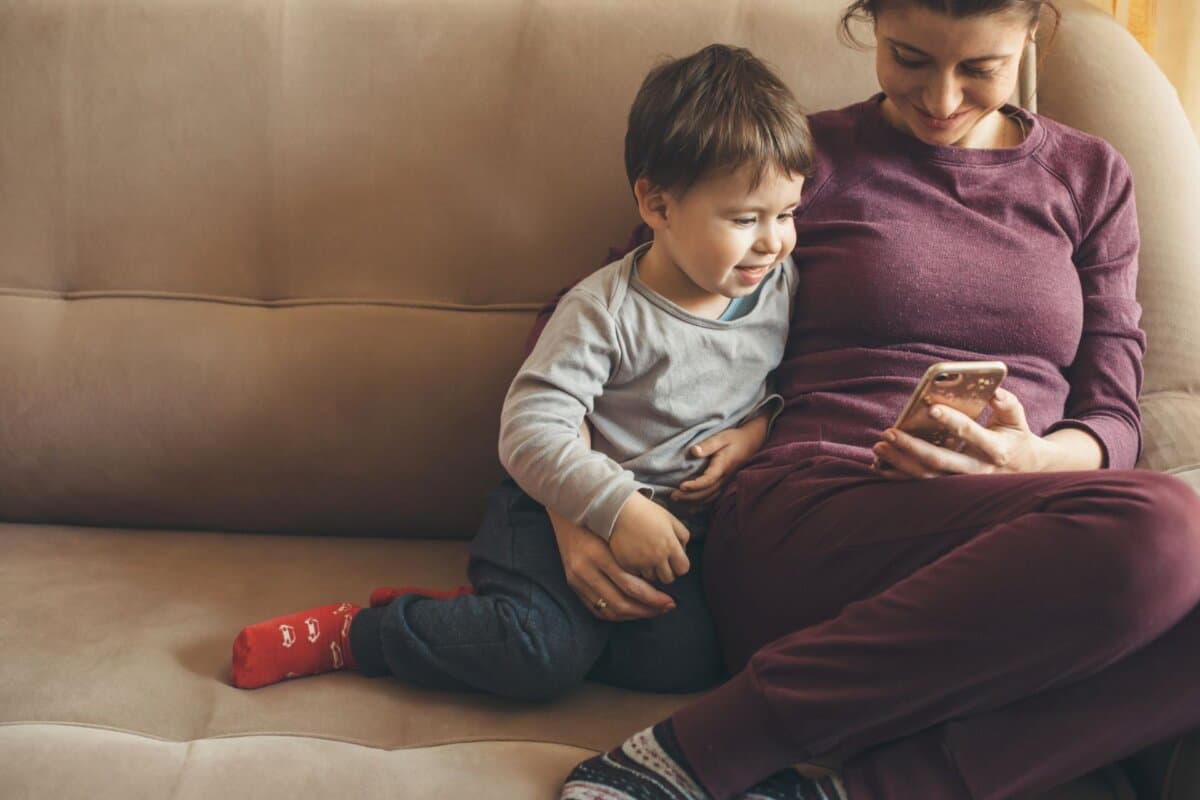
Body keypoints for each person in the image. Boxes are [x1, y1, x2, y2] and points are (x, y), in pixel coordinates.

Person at [556, 2, 1200, 799]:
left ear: (1033, 35)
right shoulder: (801, 160)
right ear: (871, 23)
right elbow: (596, 320)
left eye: (980, 70)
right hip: (813, 518)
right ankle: (699, 751)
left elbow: (1114, 407)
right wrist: (578, 507)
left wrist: (1032, 459)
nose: (939, 100)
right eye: (909, 58)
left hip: (1021, 544)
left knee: (1168, 537)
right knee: (1168, 526)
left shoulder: (1091, 178)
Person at [228, 44, 812, 701]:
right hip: (550, 507)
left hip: (673, 530)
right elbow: (529, 431)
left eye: (786, 213)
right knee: (539, 656)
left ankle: (477, 624)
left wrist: (760, 428)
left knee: (687, 664)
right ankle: (365, 633)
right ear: (658, 205)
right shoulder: (604, 312)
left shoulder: (777, 281)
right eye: (744, 219)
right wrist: (613, 508)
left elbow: (796, 378)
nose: (773, 240)